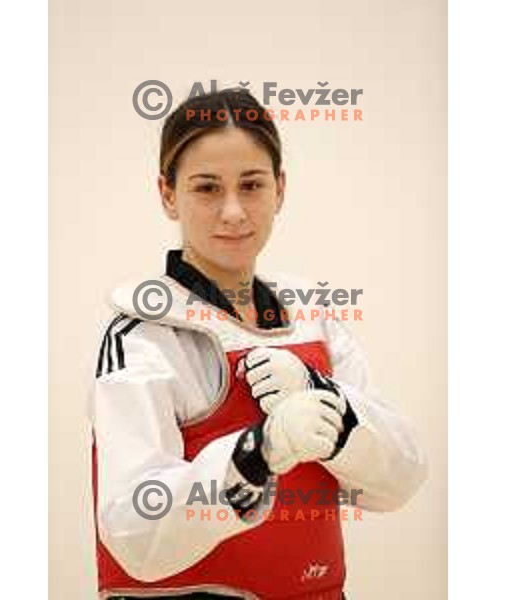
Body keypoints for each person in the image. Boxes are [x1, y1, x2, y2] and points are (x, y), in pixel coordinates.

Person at [90, 89, 428, 600]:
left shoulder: (314, 321)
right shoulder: (144, 333)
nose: (233, 211)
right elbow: (133, 531)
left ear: (280, 189)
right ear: (167, 193)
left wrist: (324, 401)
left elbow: (399, 480)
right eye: (206, 188)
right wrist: (257, 452)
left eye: (251, 185)